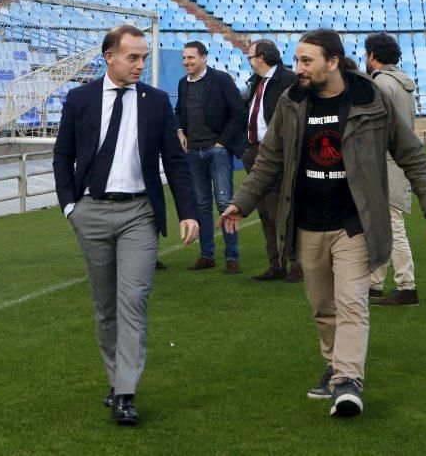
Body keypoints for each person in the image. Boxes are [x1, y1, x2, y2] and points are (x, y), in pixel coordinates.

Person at [219, 29, 426, 418]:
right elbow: (268, 161)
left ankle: (348, 381)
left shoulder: (370, 100)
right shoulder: (292, 104)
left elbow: (411, 154)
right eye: (296, 60)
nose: (298, 69)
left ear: (332, 62)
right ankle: (332, 363)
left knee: (353, 302)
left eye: (307, 61)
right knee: (323, 307)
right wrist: (241, 203)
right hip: (307, 223)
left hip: (354, 222)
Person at [52, 25, 199, 426]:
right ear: (109, 57)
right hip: (92, 213)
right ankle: (117, 379)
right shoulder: (80, 99)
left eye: (144, 57)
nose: (140, 64)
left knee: (133, 301)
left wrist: (188, 212)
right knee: (105, 307)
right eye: (133, 57)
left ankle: (125, 392)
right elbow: (62, 157)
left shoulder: (156, 101)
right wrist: (70, 208)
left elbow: (175, 161)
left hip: (139, 215)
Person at [175, 41, 247, 274]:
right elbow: (178, 112)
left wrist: (221, 142)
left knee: (225, 204)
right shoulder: (182, 84)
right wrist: (179, 130)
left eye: (191, 58)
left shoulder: (221, 79)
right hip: (193, 153)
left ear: (204, 58)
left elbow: (238, 112)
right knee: (201, 206)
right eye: (184, 58)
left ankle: (232, 257)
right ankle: (207, 255)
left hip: (216, 151)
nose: (186, 62)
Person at [364, 32, 420, 306]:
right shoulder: (403, 83)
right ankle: (374, 285)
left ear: (373, 55)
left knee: (391, 226)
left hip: (384, 162)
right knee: (380, 226)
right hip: (396, 160)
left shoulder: (381, 85)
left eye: (367, 54)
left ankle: (407, 286)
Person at [242, 39, 301, 282]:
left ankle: (297, 265)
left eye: (250, 57)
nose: (249, 61)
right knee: (265, 211)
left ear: (262, 58)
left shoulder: (288, 81)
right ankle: (276, 264)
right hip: (255, 152)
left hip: (277, 154)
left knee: (282, 211)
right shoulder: (256, 82)